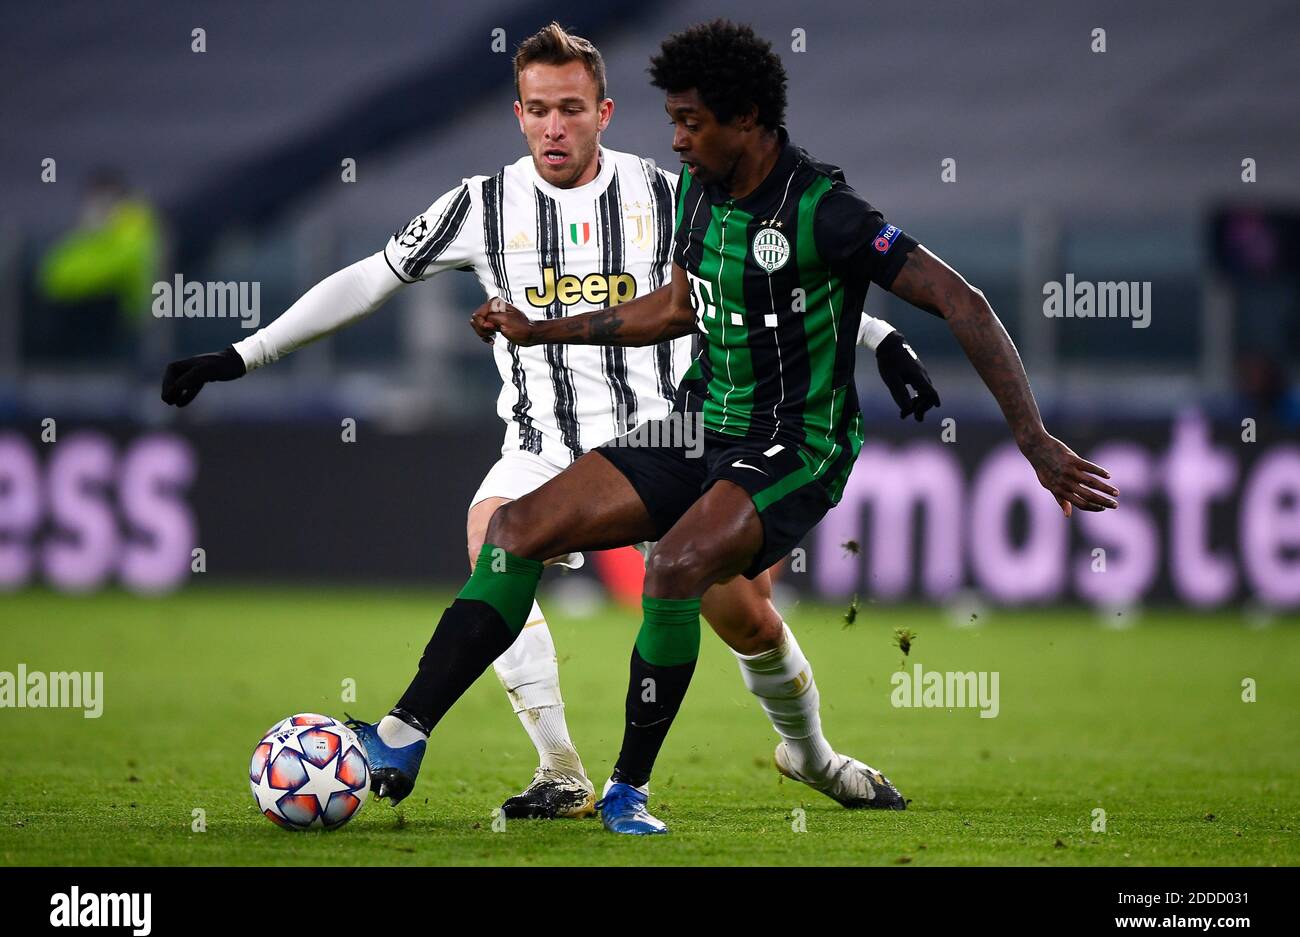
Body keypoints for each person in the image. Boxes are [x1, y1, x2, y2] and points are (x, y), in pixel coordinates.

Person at [352, 20, 1119, 835]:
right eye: (674, 119)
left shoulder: (826, 210)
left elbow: (965, 302)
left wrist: (1032, 439)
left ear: (747, 118)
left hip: (795, 443)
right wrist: (545, 329)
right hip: (697, 424)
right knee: (514, 529)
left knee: (676, 566)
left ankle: (625, 791)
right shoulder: (701, 189)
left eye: (692, 122)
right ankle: (403, 732)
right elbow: (680, 306)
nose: (676, 139)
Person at [160, 22, 940, 822]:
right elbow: (366, 281)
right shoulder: (479, 205)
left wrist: (880, 338)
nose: (553, 126)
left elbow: (764, 289)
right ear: (518, 113)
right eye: (537, 109)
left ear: (603, 112)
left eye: (570, 108)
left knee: (743, 614)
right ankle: (559, 768)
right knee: (493, 538)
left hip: (669, 439)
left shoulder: (671, 189)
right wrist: (243, 354)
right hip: (541, 445)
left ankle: (812, 757)